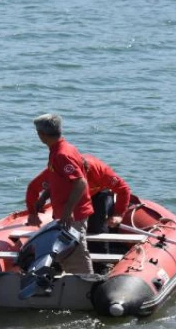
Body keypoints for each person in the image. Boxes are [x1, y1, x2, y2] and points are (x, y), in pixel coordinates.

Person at [27, 113, 94, 274]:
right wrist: (44, 197)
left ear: (41, 134)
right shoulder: (61, 149)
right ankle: (71, 280)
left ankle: (85, 285)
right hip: (65, 210)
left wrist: (68, 211)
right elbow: (60, 179)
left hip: (73, 213)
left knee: (76, 252)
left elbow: (80, 182)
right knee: (67, 252)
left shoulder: (62, 154)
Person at [25, 154, 132, 235]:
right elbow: (32, 188)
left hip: (97, 194)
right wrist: (32, 212)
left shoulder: (101, 172)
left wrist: (118, 214)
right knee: (60, 226)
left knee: (97, 227)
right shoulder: (56, 170)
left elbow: (123, 189)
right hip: (66, 195)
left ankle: (102, 262)